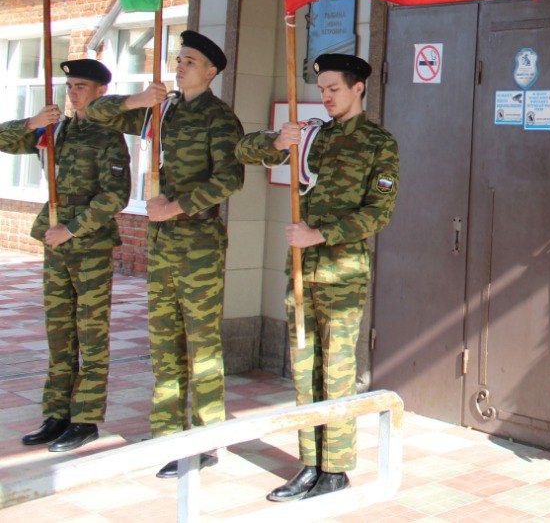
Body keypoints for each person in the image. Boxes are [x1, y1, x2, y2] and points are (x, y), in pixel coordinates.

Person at [235, 53, 399, 502]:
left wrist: (320, 234)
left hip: (342, 274)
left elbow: (378, 213)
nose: (325, 98)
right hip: (303, 274)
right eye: (322, 90)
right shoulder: (312, 137)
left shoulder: (377, 142)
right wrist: (277, 139)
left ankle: (337, 468)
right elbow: (243, 150)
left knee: (338, 369)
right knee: (304, 369)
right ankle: (309, 462)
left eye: (334, 90)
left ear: (358, 88)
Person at [87, 30, 243, 477]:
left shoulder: (219, 118)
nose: (180, 66)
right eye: (179, 59)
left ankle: (207, 437)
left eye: (189, 61)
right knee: (163, 341)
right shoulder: (162, 111)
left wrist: (175, 206)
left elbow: (230, 179)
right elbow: (95, 113)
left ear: (211, 72)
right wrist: (139, 99)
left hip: (198, 246)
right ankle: (168, 432)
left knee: (201, 342)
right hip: (162, 247)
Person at [0, 59, 130, 452]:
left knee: (90, 333)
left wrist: (72, 228)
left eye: (82, 86)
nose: (73, 92)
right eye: (70, 85)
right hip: (56, 243)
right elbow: (2, 140)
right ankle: (56, 413)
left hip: (88, 244)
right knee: (59, 331)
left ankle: (85, 418)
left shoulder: (108, 135)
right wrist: (31, 122)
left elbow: (116, 195)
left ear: (101, 91)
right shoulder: (54, 130)